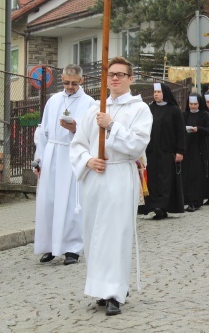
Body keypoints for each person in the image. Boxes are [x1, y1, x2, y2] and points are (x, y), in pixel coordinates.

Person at [69, 56, 153, 316]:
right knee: (94, 233)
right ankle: (100, 289)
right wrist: (88, 160)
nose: (114, 78)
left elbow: (137, 145)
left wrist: (112, 126)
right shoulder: (93, 109)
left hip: (118, 175)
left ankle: (116, 292)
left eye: (120, 74)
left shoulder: (139, 110)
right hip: (95, 177)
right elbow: (78, 144)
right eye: (110, 74)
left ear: (130, 78)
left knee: (116, 234)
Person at [34, 64, 96, 266]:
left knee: (72, 204)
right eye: (66, 83)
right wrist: (39, 158)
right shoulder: (53, 101)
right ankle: (50, 246)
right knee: (49, 201)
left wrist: (74, 128)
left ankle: (72, 248)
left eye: (73, 83)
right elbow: (43, 132)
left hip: (72, 154)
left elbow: (92, 133)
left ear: (82, 80)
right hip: (52, 153)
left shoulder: (89, 103)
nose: (69, 87)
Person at [143, 83, 186, 219]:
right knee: (153, 178)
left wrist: (180, 151)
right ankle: (154, 205)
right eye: (155, 92)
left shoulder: (174, 110)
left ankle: (163, 206)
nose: (156, 94)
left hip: (167, 150)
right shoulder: (149, 109)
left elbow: (180, 132)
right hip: (151, 150)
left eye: (159, 92)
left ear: (165, 93)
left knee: (165, 179)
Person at [182, 94, 209, 212]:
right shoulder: (185, 115)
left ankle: (195, 201)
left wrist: (198, 129)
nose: (193, 106)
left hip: (198, 148)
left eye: (195, 104)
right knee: (186, 176)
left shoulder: (204, 114)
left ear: (199, 104)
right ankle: (186, 200)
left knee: (196, 175)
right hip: (186, 148)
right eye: (191, 104)